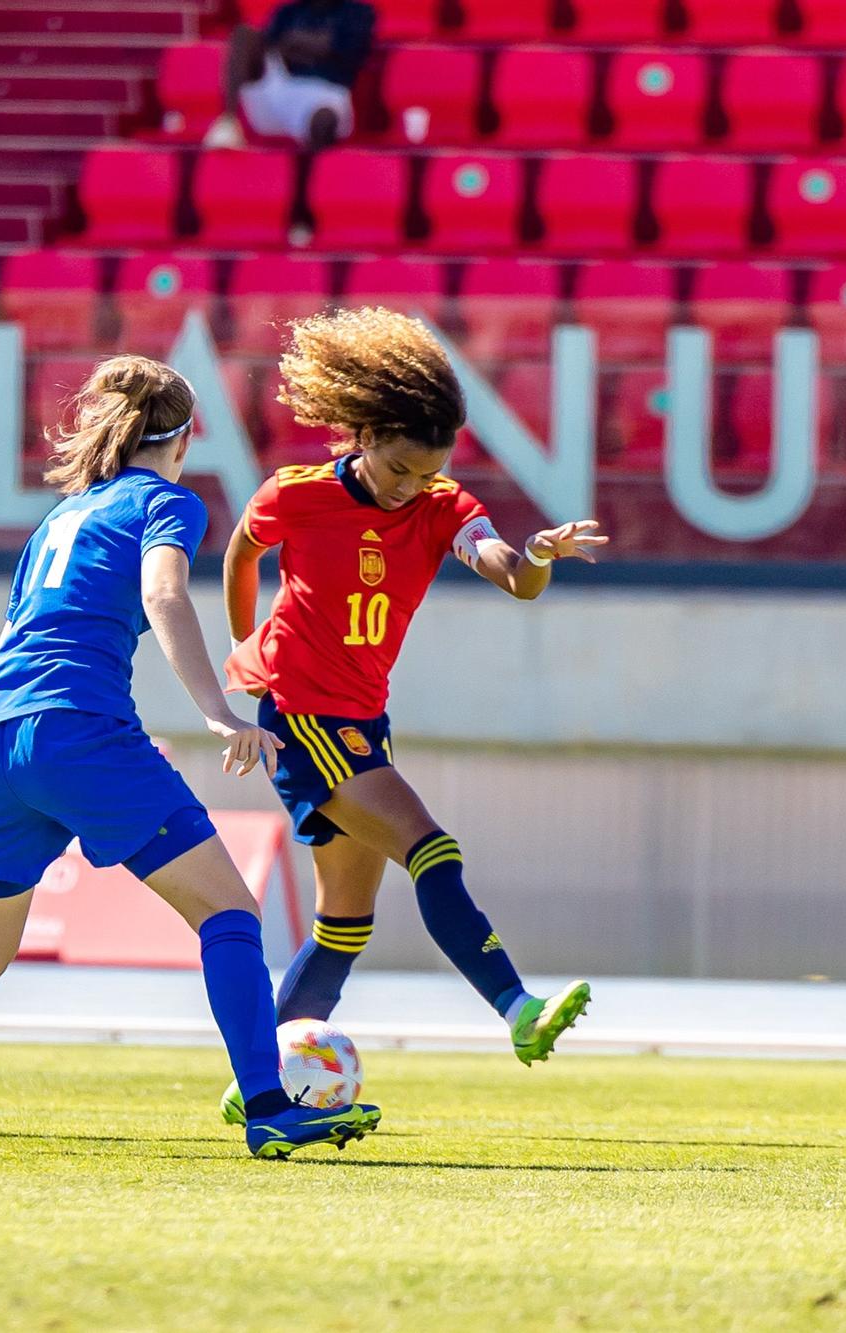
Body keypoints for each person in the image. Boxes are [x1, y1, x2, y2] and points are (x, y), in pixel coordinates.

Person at [0, 356, 382, 1158]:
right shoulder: (168, 500)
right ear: (182, 439)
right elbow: (164, 594)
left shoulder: (59, 518)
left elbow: (15, 636)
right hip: (77, 728)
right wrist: (215, 710)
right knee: (230, 913)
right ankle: (271, 1105)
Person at [216, 308, 608, 1125]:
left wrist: (535, 554)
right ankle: (517, 1009)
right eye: (396, 466)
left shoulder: (439, 506)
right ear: (360, 433)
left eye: (424, 473)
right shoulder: (299, 495)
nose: (407, 486)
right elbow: (243, 551)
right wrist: (243, 639)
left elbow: (508, 573)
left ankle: (258, 1082)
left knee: (344, 924)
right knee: (429, 846)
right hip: (304, 718)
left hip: (364, 722)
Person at [204, 0, 375, 151]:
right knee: (244, 34)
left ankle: (313, 180)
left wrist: (296, 43)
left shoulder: (357, 12)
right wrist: (307, 46)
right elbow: (273, 47)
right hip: (279, 85)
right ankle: (228, 122)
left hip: (324, 93)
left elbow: (337, 49)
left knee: (325, 120)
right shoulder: (287, 11)